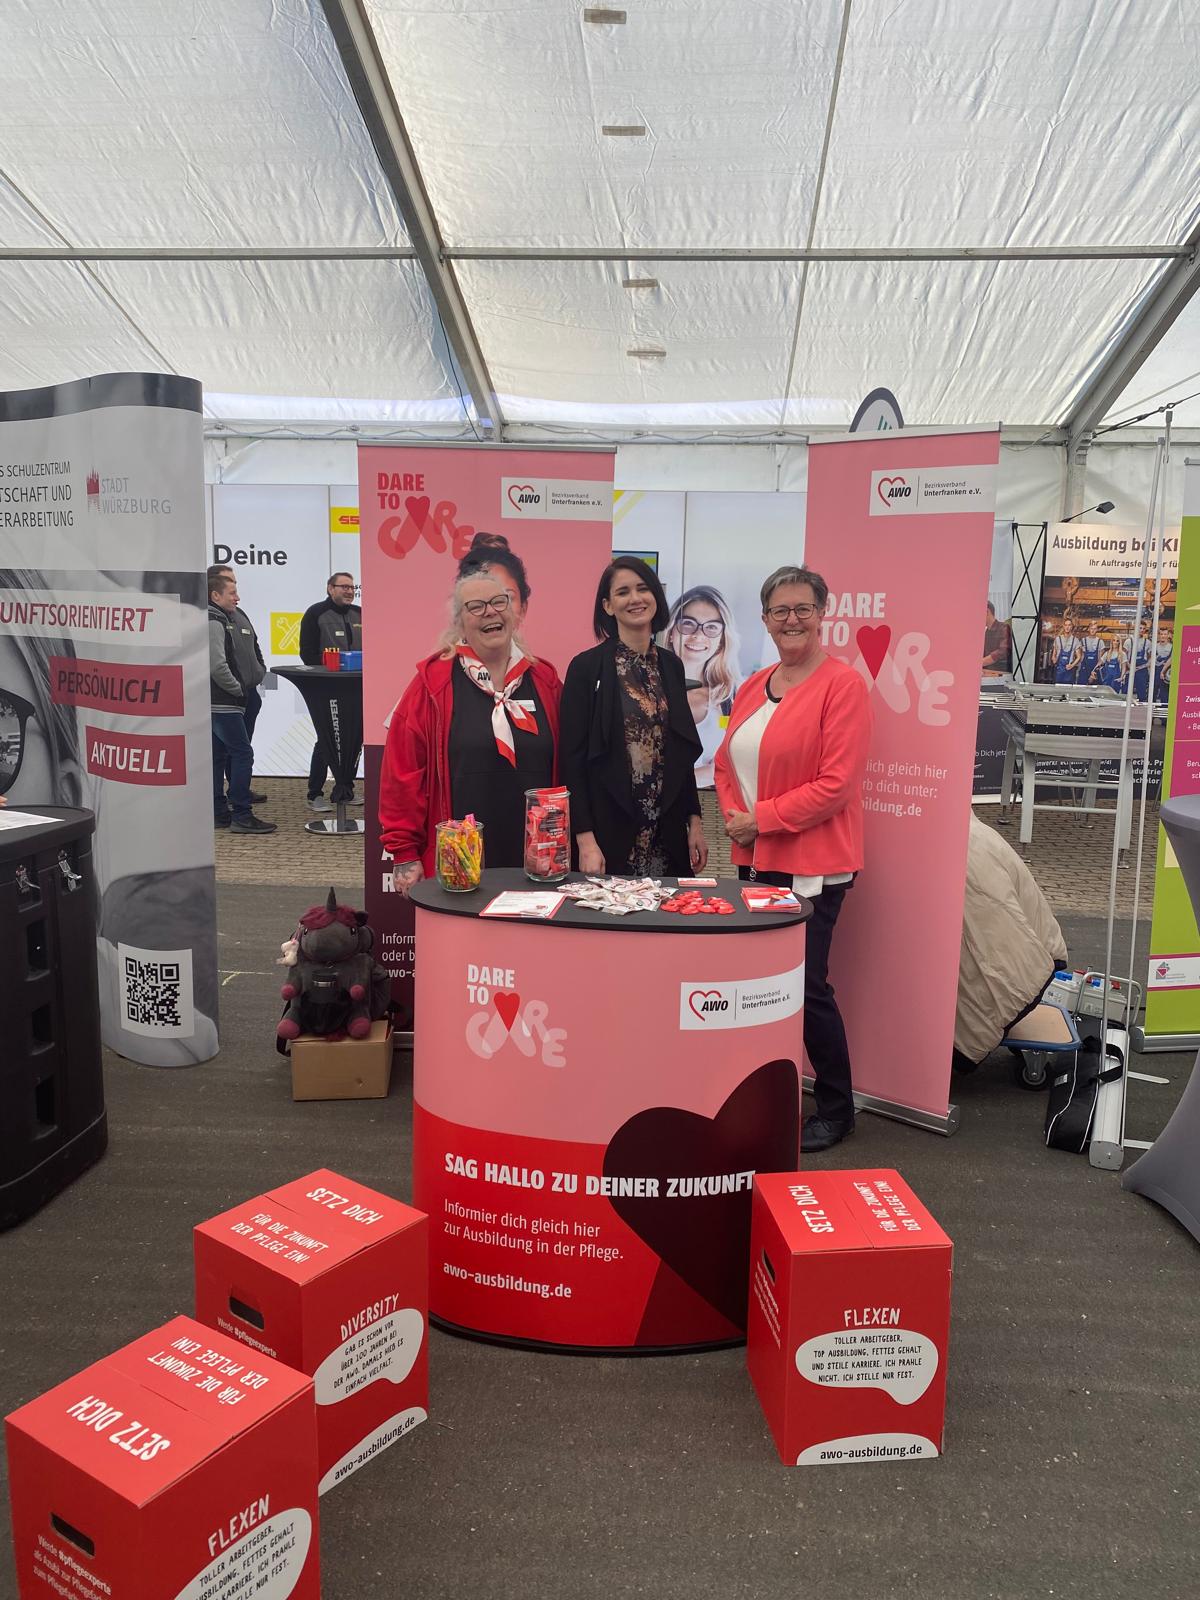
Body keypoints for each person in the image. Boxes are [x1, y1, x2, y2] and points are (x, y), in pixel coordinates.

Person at [715, 564, 871, 1153]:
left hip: (815, 862)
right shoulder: (755, 683)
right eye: (780, 610)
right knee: (759, 985)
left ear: (822, 613)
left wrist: (765, 819)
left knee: (806, 988)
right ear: (765, 619)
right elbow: (727, 762)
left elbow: (836, 785)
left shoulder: (843, 686)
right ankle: (765, 1097)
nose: (791, 619)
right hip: (756, 856)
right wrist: (739, 820)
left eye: (802, 608)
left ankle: (836, 1107)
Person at [380, 538, 561, 893]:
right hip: (458, 863)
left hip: (537, 862)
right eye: (475, 607)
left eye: (498, 602)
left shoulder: (546, 680)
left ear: (515, 610)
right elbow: (401, 774)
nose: (490, 612)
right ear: (459, 622)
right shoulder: (431, 684)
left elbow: (569, 766)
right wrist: (404, 853)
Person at [560, 559, 706, 877]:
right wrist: (585, 840)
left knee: (667, 921)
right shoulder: (586, 668)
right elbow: (571, 761)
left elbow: (680, 750)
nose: (635, 598)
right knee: (609, 922)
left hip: (666, 829)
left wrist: (694, 821)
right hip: (609, 830)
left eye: (643, 588)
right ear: (608, 606)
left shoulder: (671, 666)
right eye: (623, 592)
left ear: (655, 596)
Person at [209, 572, 276, 834]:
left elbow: (254, 647)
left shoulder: (232, 616)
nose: (238, 597)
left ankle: (219, 812)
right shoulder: (214, 620)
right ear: (215, 595)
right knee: (242, 753)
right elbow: (216, 665)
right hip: (224, 702)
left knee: (220, 755)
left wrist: (258, 672)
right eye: (232, 592)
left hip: (235, 698)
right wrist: (237, 688)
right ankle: (241, 814)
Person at [664, 585, 741, 786]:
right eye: (688, 624)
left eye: (712, 627)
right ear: (671, 632)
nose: (698, 635)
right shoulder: (644, 691)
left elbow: (741, 767)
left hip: (713, 812)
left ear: (722, 640)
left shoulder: (733, 698)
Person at [300, 572, 362, 812]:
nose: (349, 591)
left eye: (352, 587)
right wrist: (335, 664)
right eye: (343, 586)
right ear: (330, 588)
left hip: (356, 688)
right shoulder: (315, 613)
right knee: (326, 742)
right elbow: (307, 654)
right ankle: (315, 793)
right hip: (327, 688)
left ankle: (344, 790)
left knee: (354, 740)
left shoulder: (360, 613)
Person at [1051, 617, 1081, 685]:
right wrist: (1054, 659)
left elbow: (1079, 656)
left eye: (1069, 625)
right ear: (1064, 626)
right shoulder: (1058, 639)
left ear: (1071, 627)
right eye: (1066, 625)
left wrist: (1072, 665)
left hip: (1069, 671)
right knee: (1057, 689)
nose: (1067, 627)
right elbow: (1054, 654)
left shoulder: (1075, 640)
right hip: (1058, 670)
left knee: (1068, 690)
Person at [982, 602, 1011, 672]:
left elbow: (1003, 651)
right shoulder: (986, 633)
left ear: (987, 612)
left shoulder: (1004, 628)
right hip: (989, 672)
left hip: (1002, 673)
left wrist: (980, 662)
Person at [1077, 617, 1104, 686]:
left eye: (1094, 629)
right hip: (1084, 670)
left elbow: (1100, 659)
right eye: (1091, 628)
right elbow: (1081, 657)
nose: (1092, 630)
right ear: (1088, 629)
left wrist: (1094, 672)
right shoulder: (1083, 641)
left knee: (1095, 690)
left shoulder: (1100, 642)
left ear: (1097, 630)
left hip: (1095, 670)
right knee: (1082, 689)